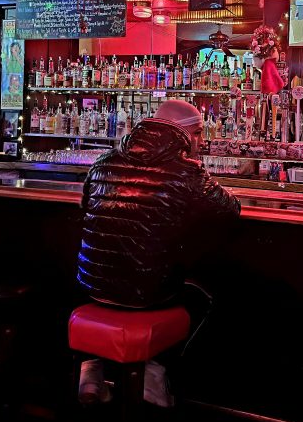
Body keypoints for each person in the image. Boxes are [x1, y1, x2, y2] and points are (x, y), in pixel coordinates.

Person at [77, 99, 240, 405]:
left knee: (115, 281)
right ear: (184, 134)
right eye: (199, 134)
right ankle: (156, 371)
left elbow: (85, 206)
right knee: (202, 296)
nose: (202, 142)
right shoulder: (186, 172)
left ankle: (92, 369)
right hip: (145, 296)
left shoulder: (103, 161)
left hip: (91, 289)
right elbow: (230, 210)